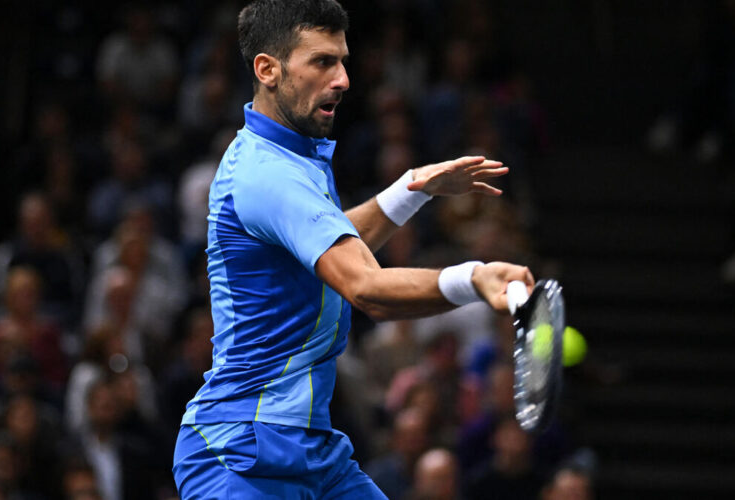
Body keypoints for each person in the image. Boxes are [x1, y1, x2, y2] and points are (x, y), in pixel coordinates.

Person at [172, 1, 535, 498]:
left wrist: (413, 188)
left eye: (342, 60)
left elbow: (336, 241)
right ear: (267, 69)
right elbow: (366, 288)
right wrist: (472, 278)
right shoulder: (267, 176)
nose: (343, 79)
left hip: (313, 450)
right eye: (322, 61)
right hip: (241, 454)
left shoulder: (291, 153)